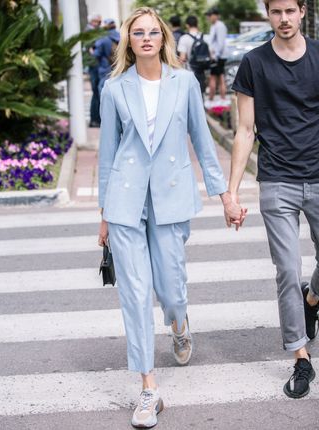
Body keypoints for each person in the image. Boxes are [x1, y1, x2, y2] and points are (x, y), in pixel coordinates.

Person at [98, 6, 242, 428]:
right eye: (137, 33)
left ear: (163, 39)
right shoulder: (114, 89)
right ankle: (148, 390)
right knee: (136, 295)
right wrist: (104, 216)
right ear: (129, 41)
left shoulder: (184, 84)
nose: (146, 38)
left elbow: (201, 139)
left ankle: (179, 322)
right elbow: (108, 156)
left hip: (172, 198)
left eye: (152, 32)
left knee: (172, 290)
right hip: (125, 202)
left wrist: (225, 197)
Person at [229, 0, 319, 400]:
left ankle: (312, 297)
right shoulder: (253, 62)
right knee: (287, 268)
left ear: (302, 12)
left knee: (307, 276)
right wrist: (232, 193)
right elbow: (245, 130)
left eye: (290, 11)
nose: (283, 19)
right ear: (268, 14)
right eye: (276, 11)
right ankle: (300, 357)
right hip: (277, 180)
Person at [177, 15, 208, 95]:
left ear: (187, 25)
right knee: (201, 94)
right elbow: (210, 55)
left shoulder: (184, 38)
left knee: (191, 94)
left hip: (190, 70)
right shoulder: (205, 37)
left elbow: (182, 58)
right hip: (202, 70)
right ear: (197, 24)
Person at [206, 7, 228, 102]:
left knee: (215, 78)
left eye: (210, 15)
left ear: (216, 15)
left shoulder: (220, 26)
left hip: (218, 56)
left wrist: (215, 56)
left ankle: (214, 99)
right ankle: (220, 98)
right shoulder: (214, 26)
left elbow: (220, 43)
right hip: (217, 56)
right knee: (219, 77)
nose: (208, 17)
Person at [93, 18, 120, 94]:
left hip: (106, 68)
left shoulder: (103, 38)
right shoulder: (120, 36)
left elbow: (96, 54)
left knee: (103, 89)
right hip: (120, 67)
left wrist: (91, 51)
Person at [85, 13, 102, 127]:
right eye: (97, 21)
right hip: (94, 65)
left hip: (96, 65)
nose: (99, 24)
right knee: (96, 92)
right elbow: (90, 49)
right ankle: (94, 120)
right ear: (92, 21)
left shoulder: (94, 30)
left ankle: (96, 119)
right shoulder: (89, 31)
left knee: (97, 93)